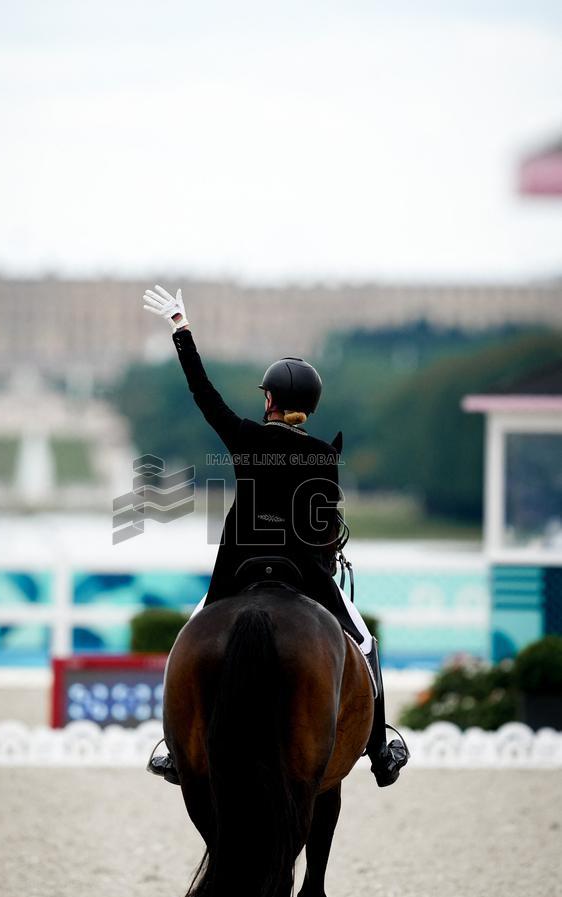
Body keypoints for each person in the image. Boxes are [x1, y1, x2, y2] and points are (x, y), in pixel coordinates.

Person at [142, 285, 408, 788]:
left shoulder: (245, 436)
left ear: (269, 400)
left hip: (238, 566)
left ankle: (175, 750)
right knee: (365, 643)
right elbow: (322, 529)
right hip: (302, 572)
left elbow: (204, 393)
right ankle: (379, 748)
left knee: (189, 641)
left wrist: (182, 329)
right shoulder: (325, 456)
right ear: (310, 404)